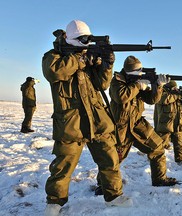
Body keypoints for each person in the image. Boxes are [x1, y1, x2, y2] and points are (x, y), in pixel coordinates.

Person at [42, 20, 131, 216]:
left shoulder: (87, 57)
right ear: (67, 38)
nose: (84, 46)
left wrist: (107, 64)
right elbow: (53, 71)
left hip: (97, 119)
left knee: (110, 159)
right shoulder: (54, 56)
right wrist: (81, 60)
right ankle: (55, 202)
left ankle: (114, 196)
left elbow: (102, 84)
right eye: (80, 42)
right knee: (63, 165)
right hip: (71, 121)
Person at [95, 55, 178, 191]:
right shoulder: (117, 81)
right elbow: (121, 97)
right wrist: (138, 85)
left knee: (157, 148)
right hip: (120, 128)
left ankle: (159, 179)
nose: (140, 75)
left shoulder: (138, 82)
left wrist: (158, 86)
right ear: (129, 73)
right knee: (114, 159)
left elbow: (152, 100)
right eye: (137, 73)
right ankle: (103, 185)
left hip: (138, 124)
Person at [154, 80, 182, 165]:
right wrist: (177, 95)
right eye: (174, 87)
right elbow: (163, 99)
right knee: (159, 143)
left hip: (177, 124)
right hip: (165, 124)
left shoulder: (176, 96)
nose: (175, 89)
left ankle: (180, 159)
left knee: (179, 143)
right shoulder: (161, 93)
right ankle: (154, 158)